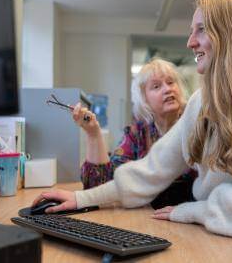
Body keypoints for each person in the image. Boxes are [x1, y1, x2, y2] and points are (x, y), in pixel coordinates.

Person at [33, 0, 232, 240]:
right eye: (192, 31)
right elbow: (151, 171)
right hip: (215, 234)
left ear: (231, 35)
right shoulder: (202, 102)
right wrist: (81, 198)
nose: (190, 42)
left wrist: (195, 210)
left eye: (201, 30)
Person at [73, 58, 196, 208]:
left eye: (170, 82)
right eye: (156, 86)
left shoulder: (196, 124)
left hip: (192, 217)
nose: (167, 89)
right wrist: (93, 133)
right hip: (149, 218)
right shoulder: (137, 133)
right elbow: (102, 185)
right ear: (144, 99)